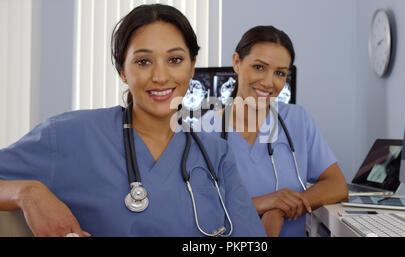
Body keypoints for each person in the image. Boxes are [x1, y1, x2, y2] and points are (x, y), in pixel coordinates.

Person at [0, 4, 266, 237]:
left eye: (175, 59)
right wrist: (27, 192)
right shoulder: (70, 135)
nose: (160, 76)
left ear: (192, 64)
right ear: (122, 71)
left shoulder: (215, 154)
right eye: (143, 61)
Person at [203, 26, 348, 237]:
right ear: (236, 62)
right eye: (259, 67)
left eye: (280, 73)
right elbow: (196, 210)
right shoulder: (201, 132)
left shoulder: (297, 120)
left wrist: (280, 209)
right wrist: (265, 203)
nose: (269, 82)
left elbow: (337, 185)